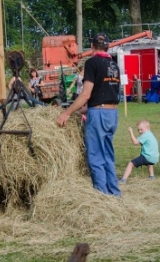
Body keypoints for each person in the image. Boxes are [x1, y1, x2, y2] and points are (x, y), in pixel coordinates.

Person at [56, 33, 121, 197]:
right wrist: (78, 112)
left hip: (98, 115)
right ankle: (114, 193)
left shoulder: (92, 63)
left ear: (92, 46)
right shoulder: (113, 65)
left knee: (95, 157)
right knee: (107, 156)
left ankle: (101, 197)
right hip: (112, 113)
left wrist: (67, 112)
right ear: (108, 47)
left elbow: (86, 94)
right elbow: (103, 96)